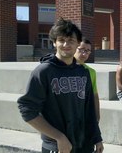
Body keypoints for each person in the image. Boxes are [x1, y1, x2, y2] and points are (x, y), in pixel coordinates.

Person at [17, 18, 103, 153]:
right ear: (54, 43)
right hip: (58, 146)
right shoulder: (44, 71)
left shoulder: (83, 72)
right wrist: (58, 137)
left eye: (71, 41)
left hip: (83, 143)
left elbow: (89, 110)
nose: (65, 44)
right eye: (61, 40)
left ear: (77, 44)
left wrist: (97, 137)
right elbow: (26, 109)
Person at [74, 38, 100, 122]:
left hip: (83, 114)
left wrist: (97, 116)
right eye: (81, 49)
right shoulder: (63, 69)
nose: (84, 53)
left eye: (88, 51)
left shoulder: (91, 72)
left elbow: (95, 95)